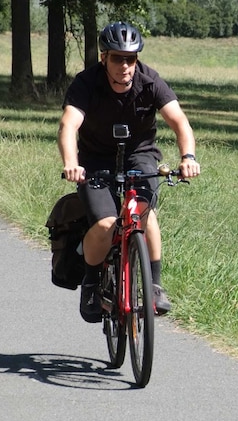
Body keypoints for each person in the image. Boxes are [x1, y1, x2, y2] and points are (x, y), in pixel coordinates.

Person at [58, 21, 200, 323]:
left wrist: (188, 156)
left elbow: (179, 122)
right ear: (104, 58)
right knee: (107, 222)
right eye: (118, 58)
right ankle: (93, 284)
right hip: (95, 159)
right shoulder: (86, 83)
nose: (125, 65)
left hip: (140, 154)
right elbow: (68, 125)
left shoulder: (150, 81)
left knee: (142, 211)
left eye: (131, 58)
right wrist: (72, 162)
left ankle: (155, 285)